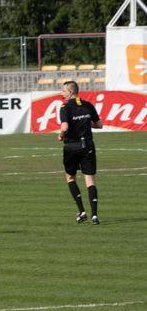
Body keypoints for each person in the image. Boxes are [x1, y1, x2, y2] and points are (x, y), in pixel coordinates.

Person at [58, 81, 103, 224]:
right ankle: (94, 215)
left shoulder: (65, 107)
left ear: (70, 92)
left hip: (71, 147)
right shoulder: (88, 105)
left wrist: (61, 135)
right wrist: (85, 122)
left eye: (64, 91)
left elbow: (64, 127)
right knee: (90, 180)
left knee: (70, 178)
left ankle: (82, 211)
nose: (62, 93)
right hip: (87, 146)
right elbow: (99, 125)